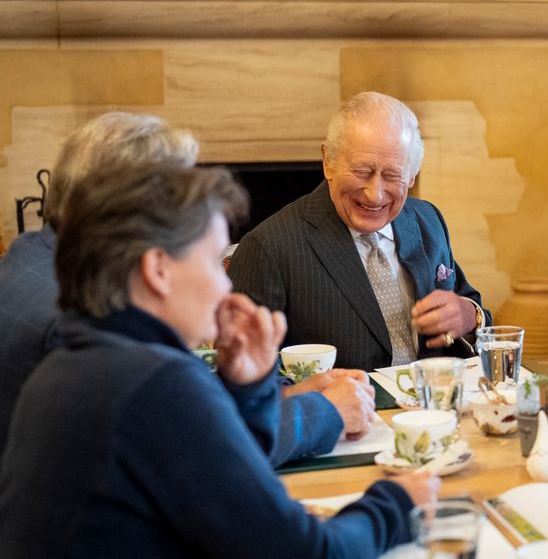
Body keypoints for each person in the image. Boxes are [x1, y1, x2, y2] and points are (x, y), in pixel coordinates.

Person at [0, 162, 439, 558]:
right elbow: (306, 552)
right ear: (158, 270)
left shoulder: (69, 365)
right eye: (214, 262)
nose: (224, 288)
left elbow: (222, 479)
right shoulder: (157, 383)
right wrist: (397, 504)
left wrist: (248, 389)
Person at [0, 113, 374, 462]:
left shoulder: (33, 255)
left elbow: (172, 416)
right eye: (178, 197)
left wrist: (279, 393)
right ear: (125, 207)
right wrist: (324, 414)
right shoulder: (74, 317)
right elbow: (199, 452)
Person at [229, 92, 489, 371]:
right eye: (362, 171)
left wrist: (471, 318)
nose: (375, 195)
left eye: (392, 176)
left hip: (437, 407)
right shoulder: (269, 247)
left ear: (412, 176)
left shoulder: (427, 220)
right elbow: (242, 373)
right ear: (328, 161)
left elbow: (470, 311)